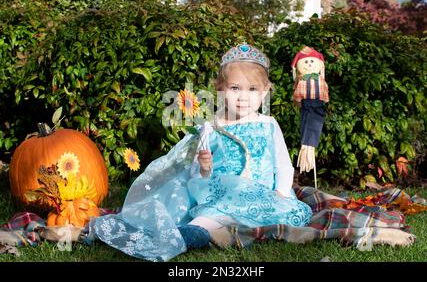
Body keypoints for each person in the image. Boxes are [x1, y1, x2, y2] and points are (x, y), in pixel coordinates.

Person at [80, 42, 313, 262]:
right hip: (223, 196)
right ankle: (180, 237)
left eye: (252, 89)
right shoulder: (211, 128)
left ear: (264, 93)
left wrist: (281, 193)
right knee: (209, 219)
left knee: (259, 218)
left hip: (263, 196)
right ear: (221, 90)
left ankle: (216, 234)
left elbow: (282, 165)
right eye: (235, 88)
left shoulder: (268, 124)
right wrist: (204, 167)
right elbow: (198, 177)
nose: (243, 97)